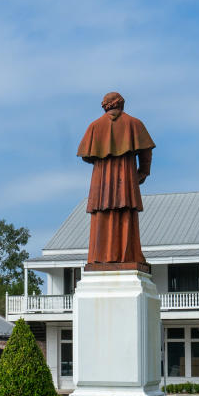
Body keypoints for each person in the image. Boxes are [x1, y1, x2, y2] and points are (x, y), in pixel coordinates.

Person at [76, 92, 155, 268]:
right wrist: (142, 173)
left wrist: (102, 155)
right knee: (125, 212)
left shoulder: (95, 126)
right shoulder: (135, 123)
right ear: (121, 104)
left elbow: (86, 156)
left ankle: (100, 256)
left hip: (101, 179)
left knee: (102, 213)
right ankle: (128, 254)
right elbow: (146, 152)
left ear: (105, 106)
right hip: (125, 177)